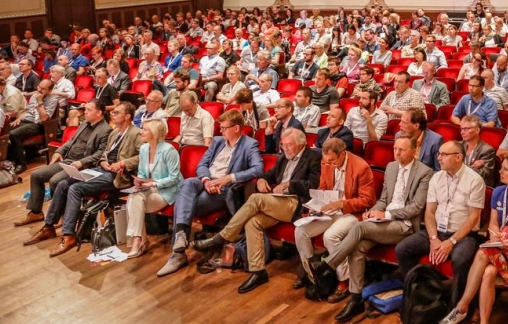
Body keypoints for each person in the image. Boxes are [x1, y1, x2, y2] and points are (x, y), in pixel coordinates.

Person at [307, 133, 433, 322]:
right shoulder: (391, 167)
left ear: (414, 150)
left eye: (402, 149)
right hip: (382, 221)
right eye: (395, 148)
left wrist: (386, 215)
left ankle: (327, 265)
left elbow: (416, 208)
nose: (396, 153)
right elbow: (383, 200)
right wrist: (372, 212)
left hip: (404, 224)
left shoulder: (424, 172)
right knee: (357, 248)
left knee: (358, 228)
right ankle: (356, 298)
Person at [190, 128, 321, 294]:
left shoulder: (314, 157)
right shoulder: (284, 158)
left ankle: (221, 237)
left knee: (256, 199)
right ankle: (258, 271)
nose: (285, 148)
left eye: (289, 145)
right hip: (279, 202)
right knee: (253, 222)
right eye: (283, 145)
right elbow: (269, 175)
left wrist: (289, 184)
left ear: (302, 144)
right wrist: (261, 180)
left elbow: (314, 186)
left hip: (297, 203)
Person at [157, 109, 264, 277]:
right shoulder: (217, 141)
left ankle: (178, 253)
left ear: (236, 128)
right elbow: (202, 164)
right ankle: (180, 239)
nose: (220, 131)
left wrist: (228, 178)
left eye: (224, 128)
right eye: (220, 128)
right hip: (206, 183)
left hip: (224, 189)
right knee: (188, 182)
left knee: (182, 202)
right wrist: (206, 180)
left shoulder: (249, 144)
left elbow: (258, 169)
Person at [440, 154, 508, 324]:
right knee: (488, 273)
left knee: (481, 253)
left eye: (505, 169)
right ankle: (484, 322)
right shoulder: (498, 192)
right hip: (500, 242)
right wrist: (495, 234)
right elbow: (493, 224)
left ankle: (462, 306)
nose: (500, 171)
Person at [43, 102, 142, 257]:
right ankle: (49, 225)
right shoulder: (115, 133)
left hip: (117, 175)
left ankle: (68, 235)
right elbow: (104, 153)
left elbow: (143, 155)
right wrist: (103, 161)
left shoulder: (136, 133)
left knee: (75, 189)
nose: (113, 114)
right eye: (113, 112)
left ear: (127, 116)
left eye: (117, 113)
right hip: (101, 169)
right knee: (63, 184)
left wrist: (123, 163)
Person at [396, 140, 485, 306]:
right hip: (437, 231)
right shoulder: (436, 178)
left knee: (460, 259)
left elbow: (473, 218)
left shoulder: (475, 180)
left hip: (463, 234)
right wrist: (434, 238)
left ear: (458, 157)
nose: (439, 158)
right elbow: (429, 212)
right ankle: (421, 296)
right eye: (439, 154)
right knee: (403, 249)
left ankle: (457, 306)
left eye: (444, 154)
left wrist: (451, 242)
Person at [294, 137, 376, 303]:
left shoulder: (361, 167)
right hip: (330, 209)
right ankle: (314, 275)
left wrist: (342, 204)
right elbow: (323, 188)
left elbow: (368, 201)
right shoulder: (326, 163)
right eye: (326, 161)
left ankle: (344, 280)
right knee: (300, 231)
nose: (328, 164)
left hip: (352, 213)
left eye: (332, 161)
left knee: (330, 236)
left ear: (342, 154)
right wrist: (315, 206)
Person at [15, 99, 112, 228]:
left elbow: (99, 154)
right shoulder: (84, 124)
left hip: (83, 166)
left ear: (99, 113)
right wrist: (59, 151)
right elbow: (71, 140)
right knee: (36, 174)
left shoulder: (106, 130)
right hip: (67, 160)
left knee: (55, 181)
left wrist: (81, 162)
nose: (85, 112)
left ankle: (61, 215)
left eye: (89, 110)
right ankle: (36, 212)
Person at [125, 118, 183, 258]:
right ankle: (139, 240)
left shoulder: (169, 150)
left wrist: (153, 184)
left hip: (169, 189)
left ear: (155, 133)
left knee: (134, 201)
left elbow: (174, 178)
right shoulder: (144, 149)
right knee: (134, 196)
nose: (141, 131)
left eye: (145, 129)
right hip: (149, 187)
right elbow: (142, 173)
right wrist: (139, 181)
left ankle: (139, 242)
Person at [8, 79, 58, 173]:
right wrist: (20, 118)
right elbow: (29, 111)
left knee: (14, 134)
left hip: (39, 125)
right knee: (7, 129)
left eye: (43, 89)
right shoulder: (34, 95)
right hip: (28, 120)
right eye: (39, 87)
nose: (39, 90)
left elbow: (44, 118)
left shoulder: (53, 99)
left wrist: (40, 102)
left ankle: (21, 164)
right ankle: (11, 158)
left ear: (50, 91)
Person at [459, 114, 496, 185]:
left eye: (466, 129)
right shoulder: (459, 145)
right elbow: (451, 167)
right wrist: (472, 167)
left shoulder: (487, 150)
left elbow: (483, 174)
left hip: (477, 185)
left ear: (477, 130)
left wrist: (459, 169)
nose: (462, 132)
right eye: (461, 129)